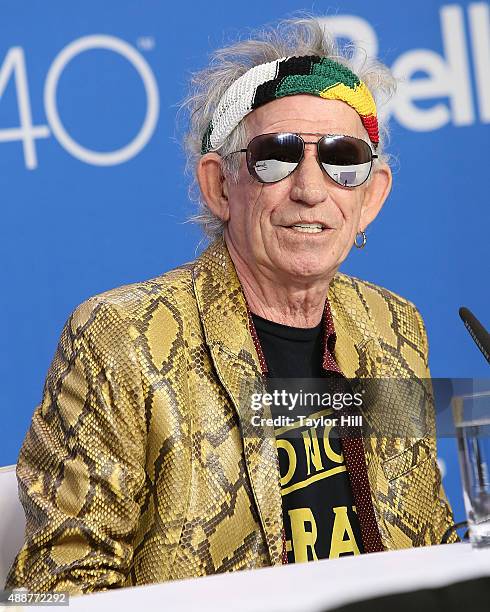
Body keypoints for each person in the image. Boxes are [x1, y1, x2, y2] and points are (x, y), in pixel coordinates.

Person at [5, 16, 456, 595]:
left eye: (344, 160)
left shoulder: (392, 327)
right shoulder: (122, 338)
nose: (311, 189)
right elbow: (63, 588)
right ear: (219, 186)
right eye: (276, 156)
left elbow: (425, 538)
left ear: (371, 196)